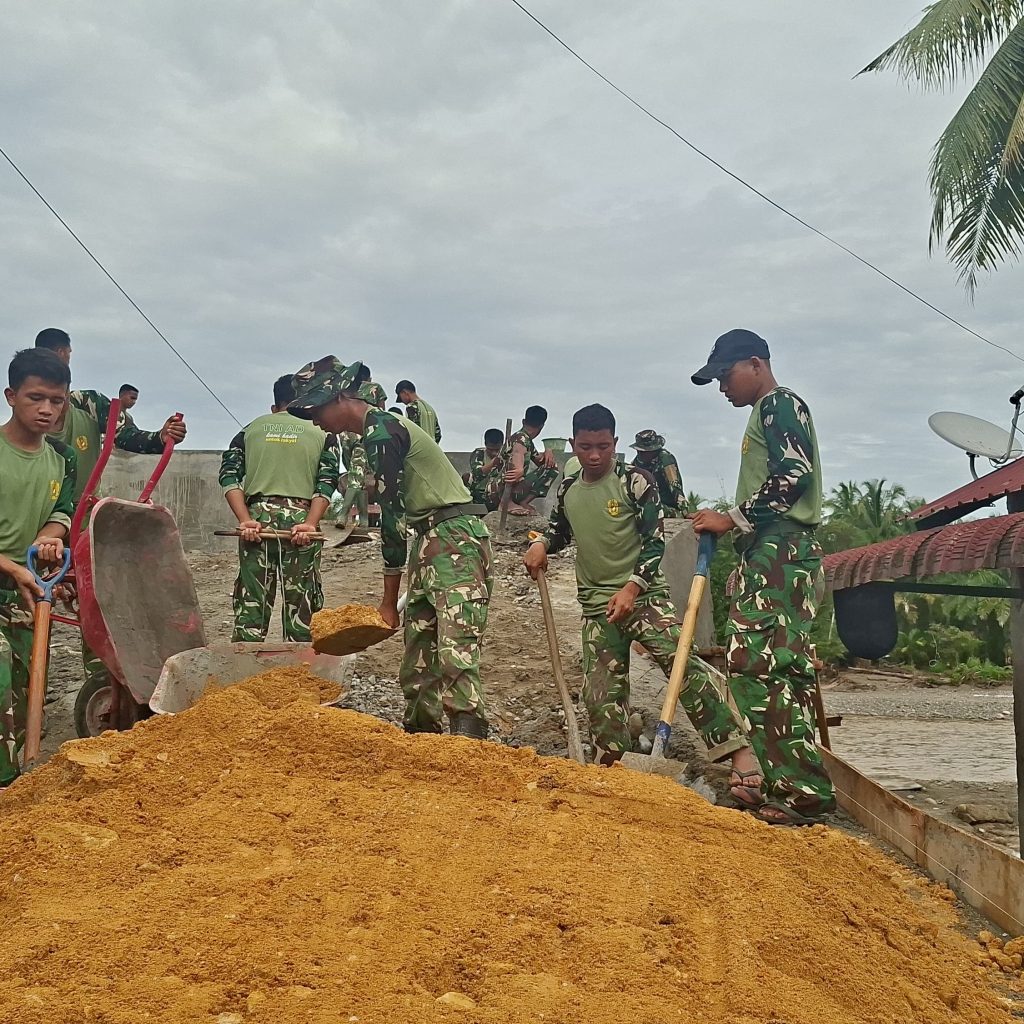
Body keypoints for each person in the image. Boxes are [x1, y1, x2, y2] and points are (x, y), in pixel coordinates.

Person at [524, 403, 759, 791]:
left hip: (645, 599)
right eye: (585, 447)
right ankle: (613, 769)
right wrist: (541, 545)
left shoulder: (636, 482)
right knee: (600, 696)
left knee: (684, 668)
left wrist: (631, 588)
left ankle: (738, 753)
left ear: (615, 443)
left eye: (603, 446)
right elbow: (559, 531)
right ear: (573, 444)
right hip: (598, 608)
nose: (594, 455)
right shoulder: (568, 488)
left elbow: (653, 544)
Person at [290, 357, 491, 739]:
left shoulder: (382, 431)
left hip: (454, 539)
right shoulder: (374, 430)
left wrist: (387, 602)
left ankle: (469, 746)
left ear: (340, 397)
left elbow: (392, 519)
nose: (314, 420)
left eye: (316, 410)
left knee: (455, 650)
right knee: (418, 658)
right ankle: (419, 740)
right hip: (430, 538)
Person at [689, 328, 834, 825]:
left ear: (756, 364)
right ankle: (793, 786)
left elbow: (793, 475)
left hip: (780, 547)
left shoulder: (778, 404)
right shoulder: (768, 410)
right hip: (775, 550)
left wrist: (730, 519)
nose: (721, 387)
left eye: (725, 375)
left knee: (752, 665)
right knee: (784, 670)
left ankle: (802, 793)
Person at [0, 349, 77, 787]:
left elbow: (61, 513)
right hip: (12, 575)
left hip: (25, 588)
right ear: (11, 396)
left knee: (27, 686)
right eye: (35, 398)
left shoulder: (61, 459)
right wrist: (12, 567)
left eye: (56, 400)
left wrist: (48, 538)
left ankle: (16, 785)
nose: (47, 409)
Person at [219, 375, 337, 642]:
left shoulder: (250, 429)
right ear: (305, 403)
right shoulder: (322, 430)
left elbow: (229, 476)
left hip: (257, 521)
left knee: (252, 599)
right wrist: (311, 523)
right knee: (302, 602)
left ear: (274, 406)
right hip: (302, 521)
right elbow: (327, 482)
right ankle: (301, 660)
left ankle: (246, 660)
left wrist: (245, 520)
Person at [35, 329, 187, 502]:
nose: (47, 408)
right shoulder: (25, 418)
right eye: (36, 397)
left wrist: (160, 437)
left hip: (84, 510)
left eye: (58, 397)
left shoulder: (88, 403)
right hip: (40, 508)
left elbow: (126, 435)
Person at [492, 405, 559, 516]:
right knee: (514, 467)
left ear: (523, 421)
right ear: (542, 426)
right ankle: (506, 503)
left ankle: (523, 502)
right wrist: (519, 469)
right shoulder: (520, 437)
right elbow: (518, 451)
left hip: (506, 488)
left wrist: (548, 451)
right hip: (495, 490)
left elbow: (541, 462)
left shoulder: (527, 441)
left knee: (551, 467)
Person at [629, 430, 687, 517]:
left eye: (646, 451)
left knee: (650, 508)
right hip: (644, 505)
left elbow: (675, 487)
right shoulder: (636, 463)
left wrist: (685, 512)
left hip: (668, 508)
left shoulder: (665, 459)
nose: (642, 454)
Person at [466, 428, 504, 504]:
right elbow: (477, 473)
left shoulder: (506, 454)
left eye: (497, 450)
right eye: (490, 449)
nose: (494, 453)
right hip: (481, 487)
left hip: (498, 489)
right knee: (466, 477)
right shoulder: (479, 453)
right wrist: (493, 463)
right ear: (485, 444)